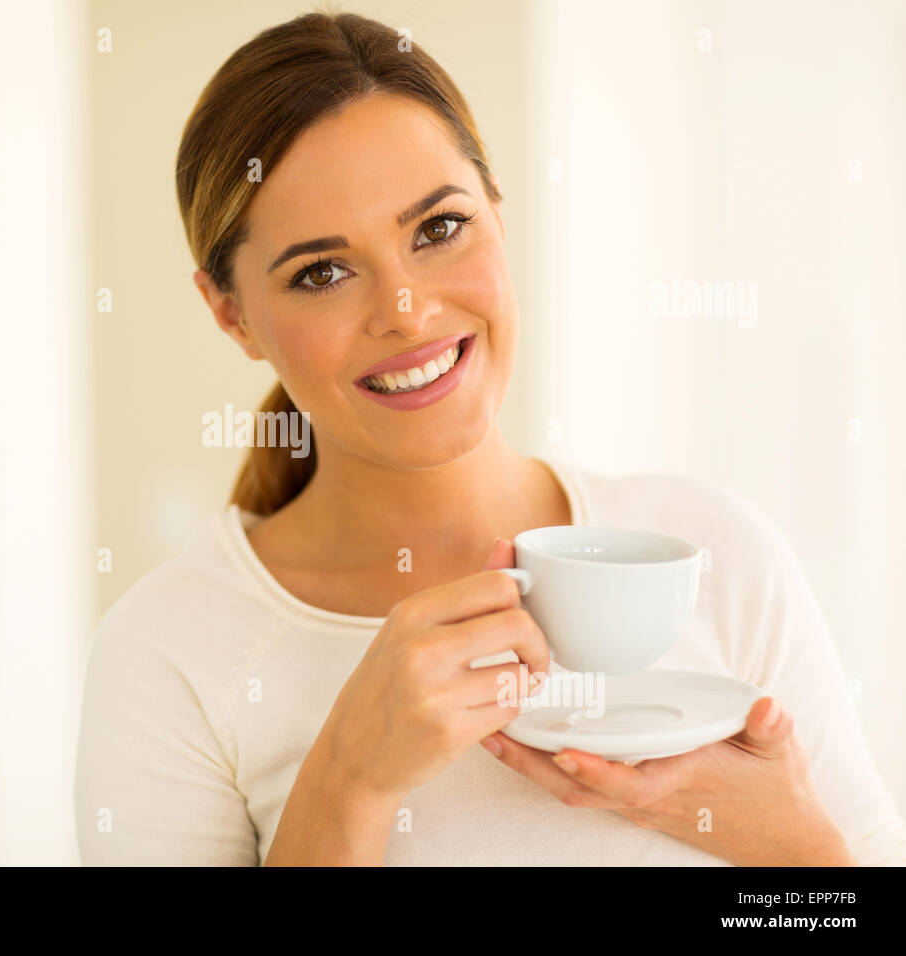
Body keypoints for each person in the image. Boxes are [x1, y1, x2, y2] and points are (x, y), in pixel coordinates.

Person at [73, 10, 906, 865]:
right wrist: (350, 775)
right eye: (322, 272)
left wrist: (791, 847)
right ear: (232, 315)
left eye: (438, 227)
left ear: (498, 214)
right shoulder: (169, 653)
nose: (407, 312)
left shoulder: (715, 555)